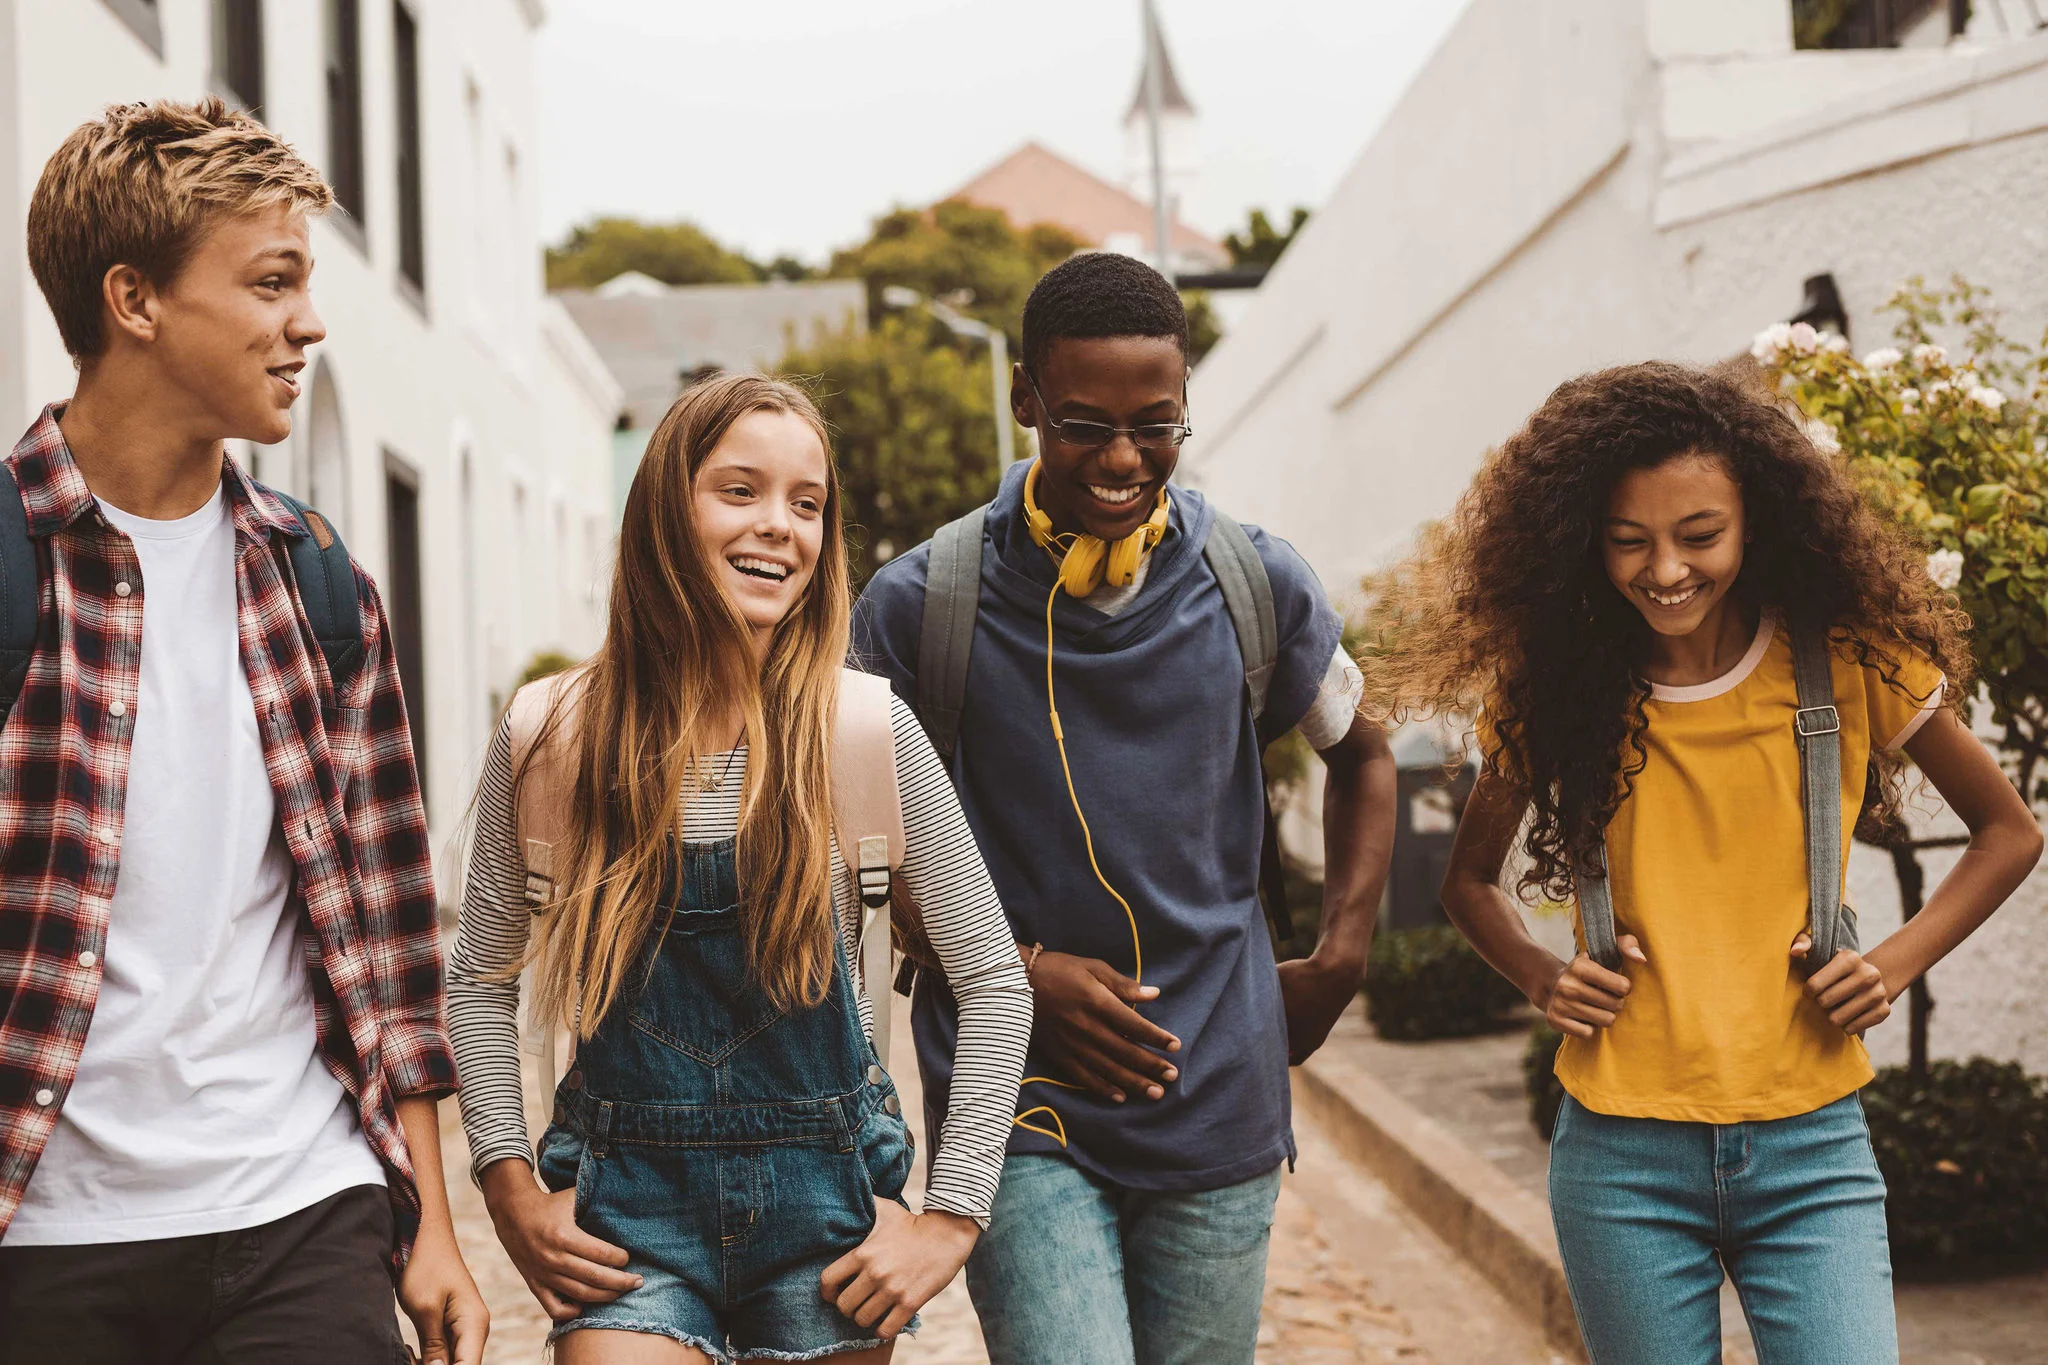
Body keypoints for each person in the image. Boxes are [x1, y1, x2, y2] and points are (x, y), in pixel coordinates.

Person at [1371, 362, 2044, 1364]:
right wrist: (1541, 977)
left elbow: (2008, 831)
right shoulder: (1553, 690)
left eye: (1698, 537)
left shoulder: (1847, 656)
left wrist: (1894, 963)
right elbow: (1463, 884)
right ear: (1579, 541)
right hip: (1618, 1156)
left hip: (1810, 1145)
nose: (1664, 570)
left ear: (1755, 525)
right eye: (1626, 541)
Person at [0, 99, 486, 1364]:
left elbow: (388, 934)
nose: (307, 322)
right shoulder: (10, 570)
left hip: (297, 1214)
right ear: (135, 300)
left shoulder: (318, 583)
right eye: (271, 282)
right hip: (44, 1236)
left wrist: (428, 1222)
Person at [851, 251, 1397, 1364]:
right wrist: (1010, 969)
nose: (1119, 460)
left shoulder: (1258, 582)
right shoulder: (921, 605)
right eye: (1081, 425)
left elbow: (1365, 756)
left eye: (1155, 426)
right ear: (1023, 400)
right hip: (1015, 1104)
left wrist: (1339, 959)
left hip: (1218, 1106)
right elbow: (866, 835)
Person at [449, 373, 1033, 1362]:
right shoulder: (554, 736)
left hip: (828, 1222)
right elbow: (477, 980)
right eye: (740, 491)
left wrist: (950, 1219)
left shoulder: (862, 730)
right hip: (623, 1217)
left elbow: (992, 982)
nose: (780, 527)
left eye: (807, 505)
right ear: (664, 511)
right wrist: (507, 1184)